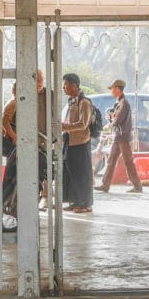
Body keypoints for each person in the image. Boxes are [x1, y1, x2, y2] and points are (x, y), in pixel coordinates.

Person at [1, 70, 54, 221]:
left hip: (33, 146)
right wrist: (15, 137)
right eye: (37, 80)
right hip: (17, 148)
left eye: (41, 80)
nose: (40, 84)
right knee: (15, 181)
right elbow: (5, 122)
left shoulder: (36, 99)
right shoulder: (15, 102)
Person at [95, 79, 143, 193]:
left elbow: (117, 120)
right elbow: (116, 119)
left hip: (123, 137)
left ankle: (137, 186)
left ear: (117, 89)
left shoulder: (123, 103)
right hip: (119, 136)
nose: (111, 91)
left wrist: (111, 119)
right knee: (112, 160)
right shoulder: (120, 102)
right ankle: (105, 185)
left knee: (128, 161)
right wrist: (112, 118)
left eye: (112, 88)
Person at [60, 73, 94, 214]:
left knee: (82, 174)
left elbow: (83, 124)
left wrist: (65, 127)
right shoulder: (71, 101)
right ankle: (75, 201)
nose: (64, 88)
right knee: (71, 173)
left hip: (80, 142)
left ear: (74, 85)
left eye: (66, 85)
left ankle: (85, 203)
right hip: (70, 140)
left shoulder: (84, 102)